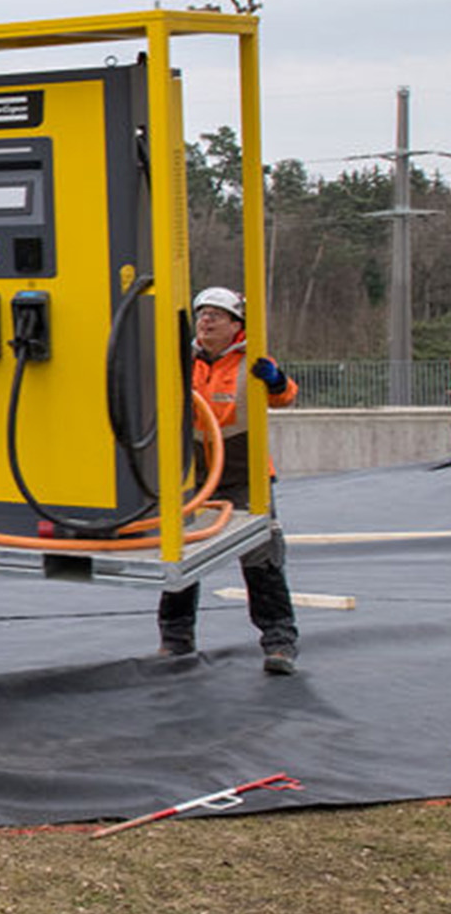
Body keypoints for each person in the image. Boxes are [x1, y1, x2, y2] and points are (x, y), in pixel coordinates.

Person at [157, 285, 301, 673]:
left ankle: (279, 642)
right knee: (180, 558)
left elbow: (285, 396)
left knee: (262, 559)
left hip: (243, 477)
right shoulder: (182, 360)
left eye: (215, 316)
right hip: (194, 477)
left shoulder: (251, 361)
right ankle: (175, 639)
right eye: (202, 314)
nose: (205, 321)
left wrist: (273, 380)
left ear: (236, 325)